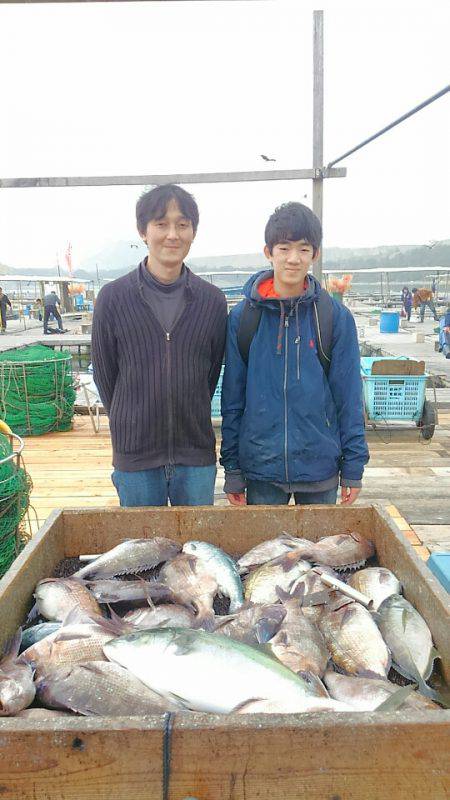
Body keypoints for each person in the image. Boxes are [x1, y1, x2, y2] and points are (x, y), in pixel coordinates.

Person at [220, 201, 369, 508]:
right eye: (284, 248)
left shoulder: (334, 317)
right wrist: (232, 468)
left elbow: (349, 397)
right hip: (261, 470)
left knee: (319, 555)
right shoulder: (243, 318)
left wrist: (353, 468)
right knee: (264, 555)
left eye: (303, 249)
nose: (293, 259)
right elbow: (232, 399)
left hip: (320, 467)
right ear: (268, 252)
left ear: (315, 254)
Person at [92, 183, 227, 507]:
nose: (172, 235)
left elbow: (210, 375)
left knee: (195, 550)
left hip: (195, 456)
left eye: (182, 225)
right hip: (135, 457)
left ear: (193, 231)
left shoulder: (212, 301)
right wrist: (131, 419)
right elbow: (105, 375)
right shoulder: (112, 298)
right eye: (161, 224)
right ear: (143, 231)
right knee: (141, 553)